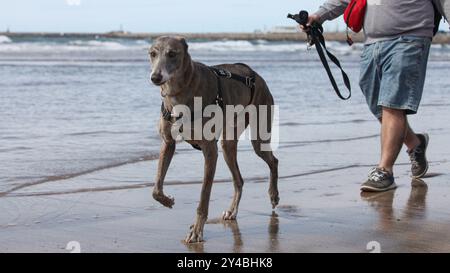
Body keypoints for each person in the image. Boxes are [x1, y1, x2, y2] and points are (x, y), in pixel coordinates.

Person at [302, 0, 448, 192]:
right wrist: (318, 16)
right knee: (377, 102)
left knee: (393, 103)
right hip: (372, 42)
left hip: (410, 38)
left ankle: (384, 171)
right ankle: (415, 143)